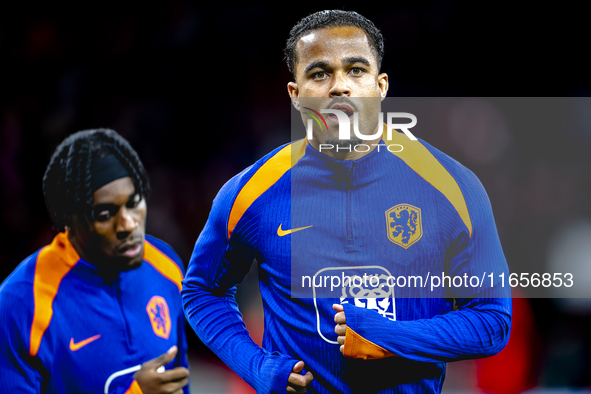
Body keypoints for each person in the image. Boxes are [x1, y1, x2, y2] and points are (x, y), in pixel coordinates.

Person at [182, 10, 511, 394]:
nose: (340, 87)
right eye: (319, 74)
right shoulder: (251, 193)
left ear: (381, 85)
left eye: (356, 70)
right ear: (295, 94)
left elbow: (492, 321)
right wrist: (256, 366)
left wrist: (392, 337)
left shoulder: (453, 187)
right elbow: (202, 291)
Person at [0, 129, 190, 393]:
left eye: (134, 202)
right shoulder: (21, 303)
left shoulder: (166, 267)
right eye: (104, 213)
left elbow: (180, 382)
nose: (128, 224)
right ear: (70, 221)